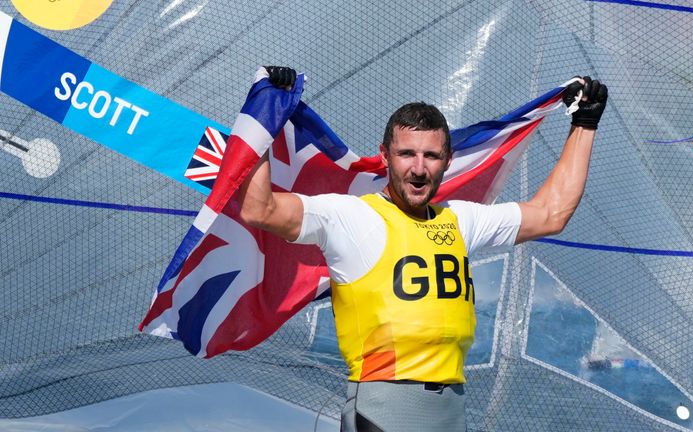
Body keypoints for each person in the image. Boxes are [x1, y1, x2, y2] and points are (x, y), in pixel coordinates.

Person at [238, 66, 607, 432]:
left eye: (430, 156)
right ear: (385, 156)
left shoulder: (460, 219)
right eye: (406, 154)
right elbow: (260, 208)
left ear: (447, 160)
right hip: (382, 412)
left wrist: (584, 125)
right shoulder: (348, 215)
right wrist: (264, 117)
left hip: (450, 412)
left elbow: (550, 215)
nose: (418, 168)